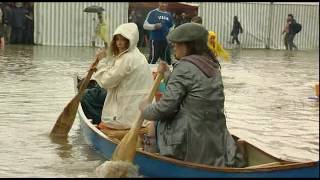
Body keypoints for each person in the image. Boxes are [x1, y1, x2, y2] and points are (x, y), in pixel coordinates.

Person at [139, 23, 246, 167]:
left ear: (188, 46)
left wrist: (145, 109)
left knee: (154, 123)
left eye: (177, 44)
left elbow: (164, 109)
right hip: (216, 134)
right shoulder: (212, 65)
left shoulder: (183, 67)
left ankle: (152, 157)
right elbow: (192, 86)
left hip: (190, 139)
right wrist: (166, 74)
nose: (174, 47)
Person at [89, 22, 153, 130]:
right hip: (138, 111)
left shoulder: (127, 58)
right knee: (95, 94)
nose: (119, 43)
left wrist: (102, 61)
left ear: (130, 41)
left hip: (127, 114)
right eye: (117, 39)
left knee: (86, 97)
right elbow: (116, 72)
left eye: (123, 40)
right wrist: (103, 65)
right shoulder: (138, 55)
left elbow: (106, 82)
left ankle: (97, 122)